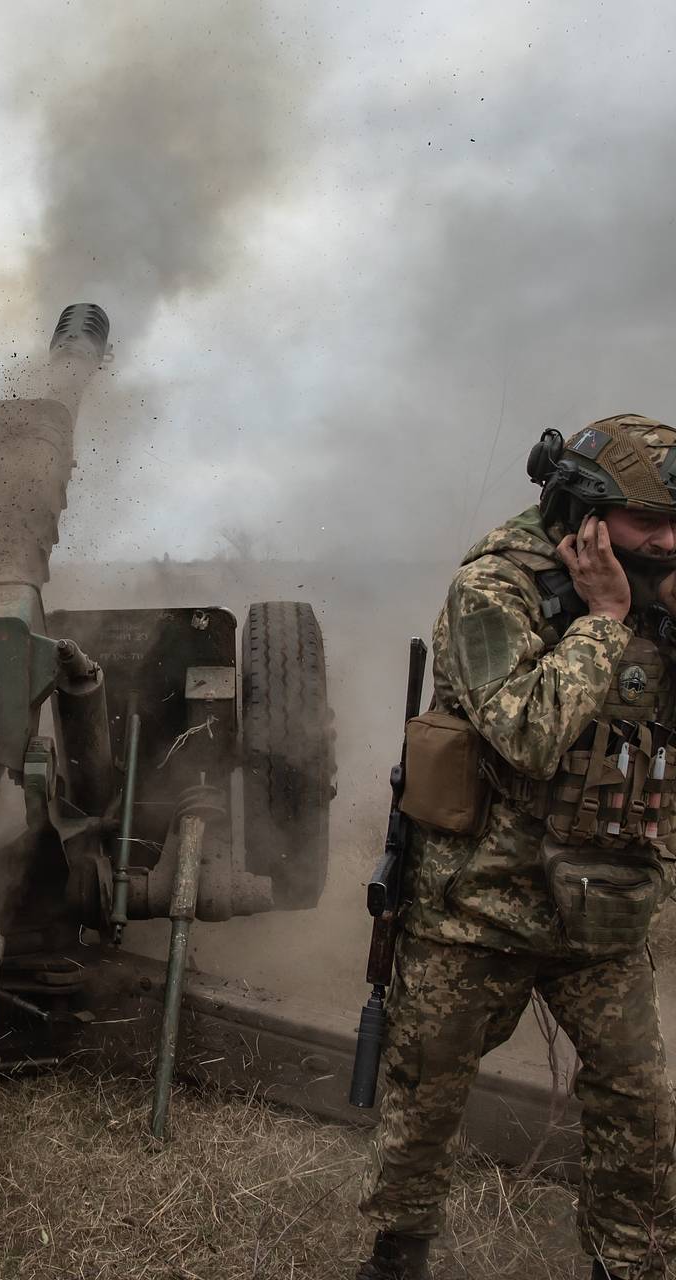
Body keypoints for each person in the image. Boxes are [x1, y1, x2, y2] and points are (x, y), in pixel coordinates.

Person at [356, 415, 676, 1280]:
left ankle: (632, 1265)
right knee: (425, 1101)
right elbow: (530, 734)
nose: (668, 540)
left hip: (602, 907)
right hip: (477, 904)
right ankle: (399, 1253)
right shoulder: (496, 588)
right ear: (584, 511)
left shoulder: (665, 584)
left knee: (639, 1106)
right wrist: (607, 617)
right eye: (649, 522)